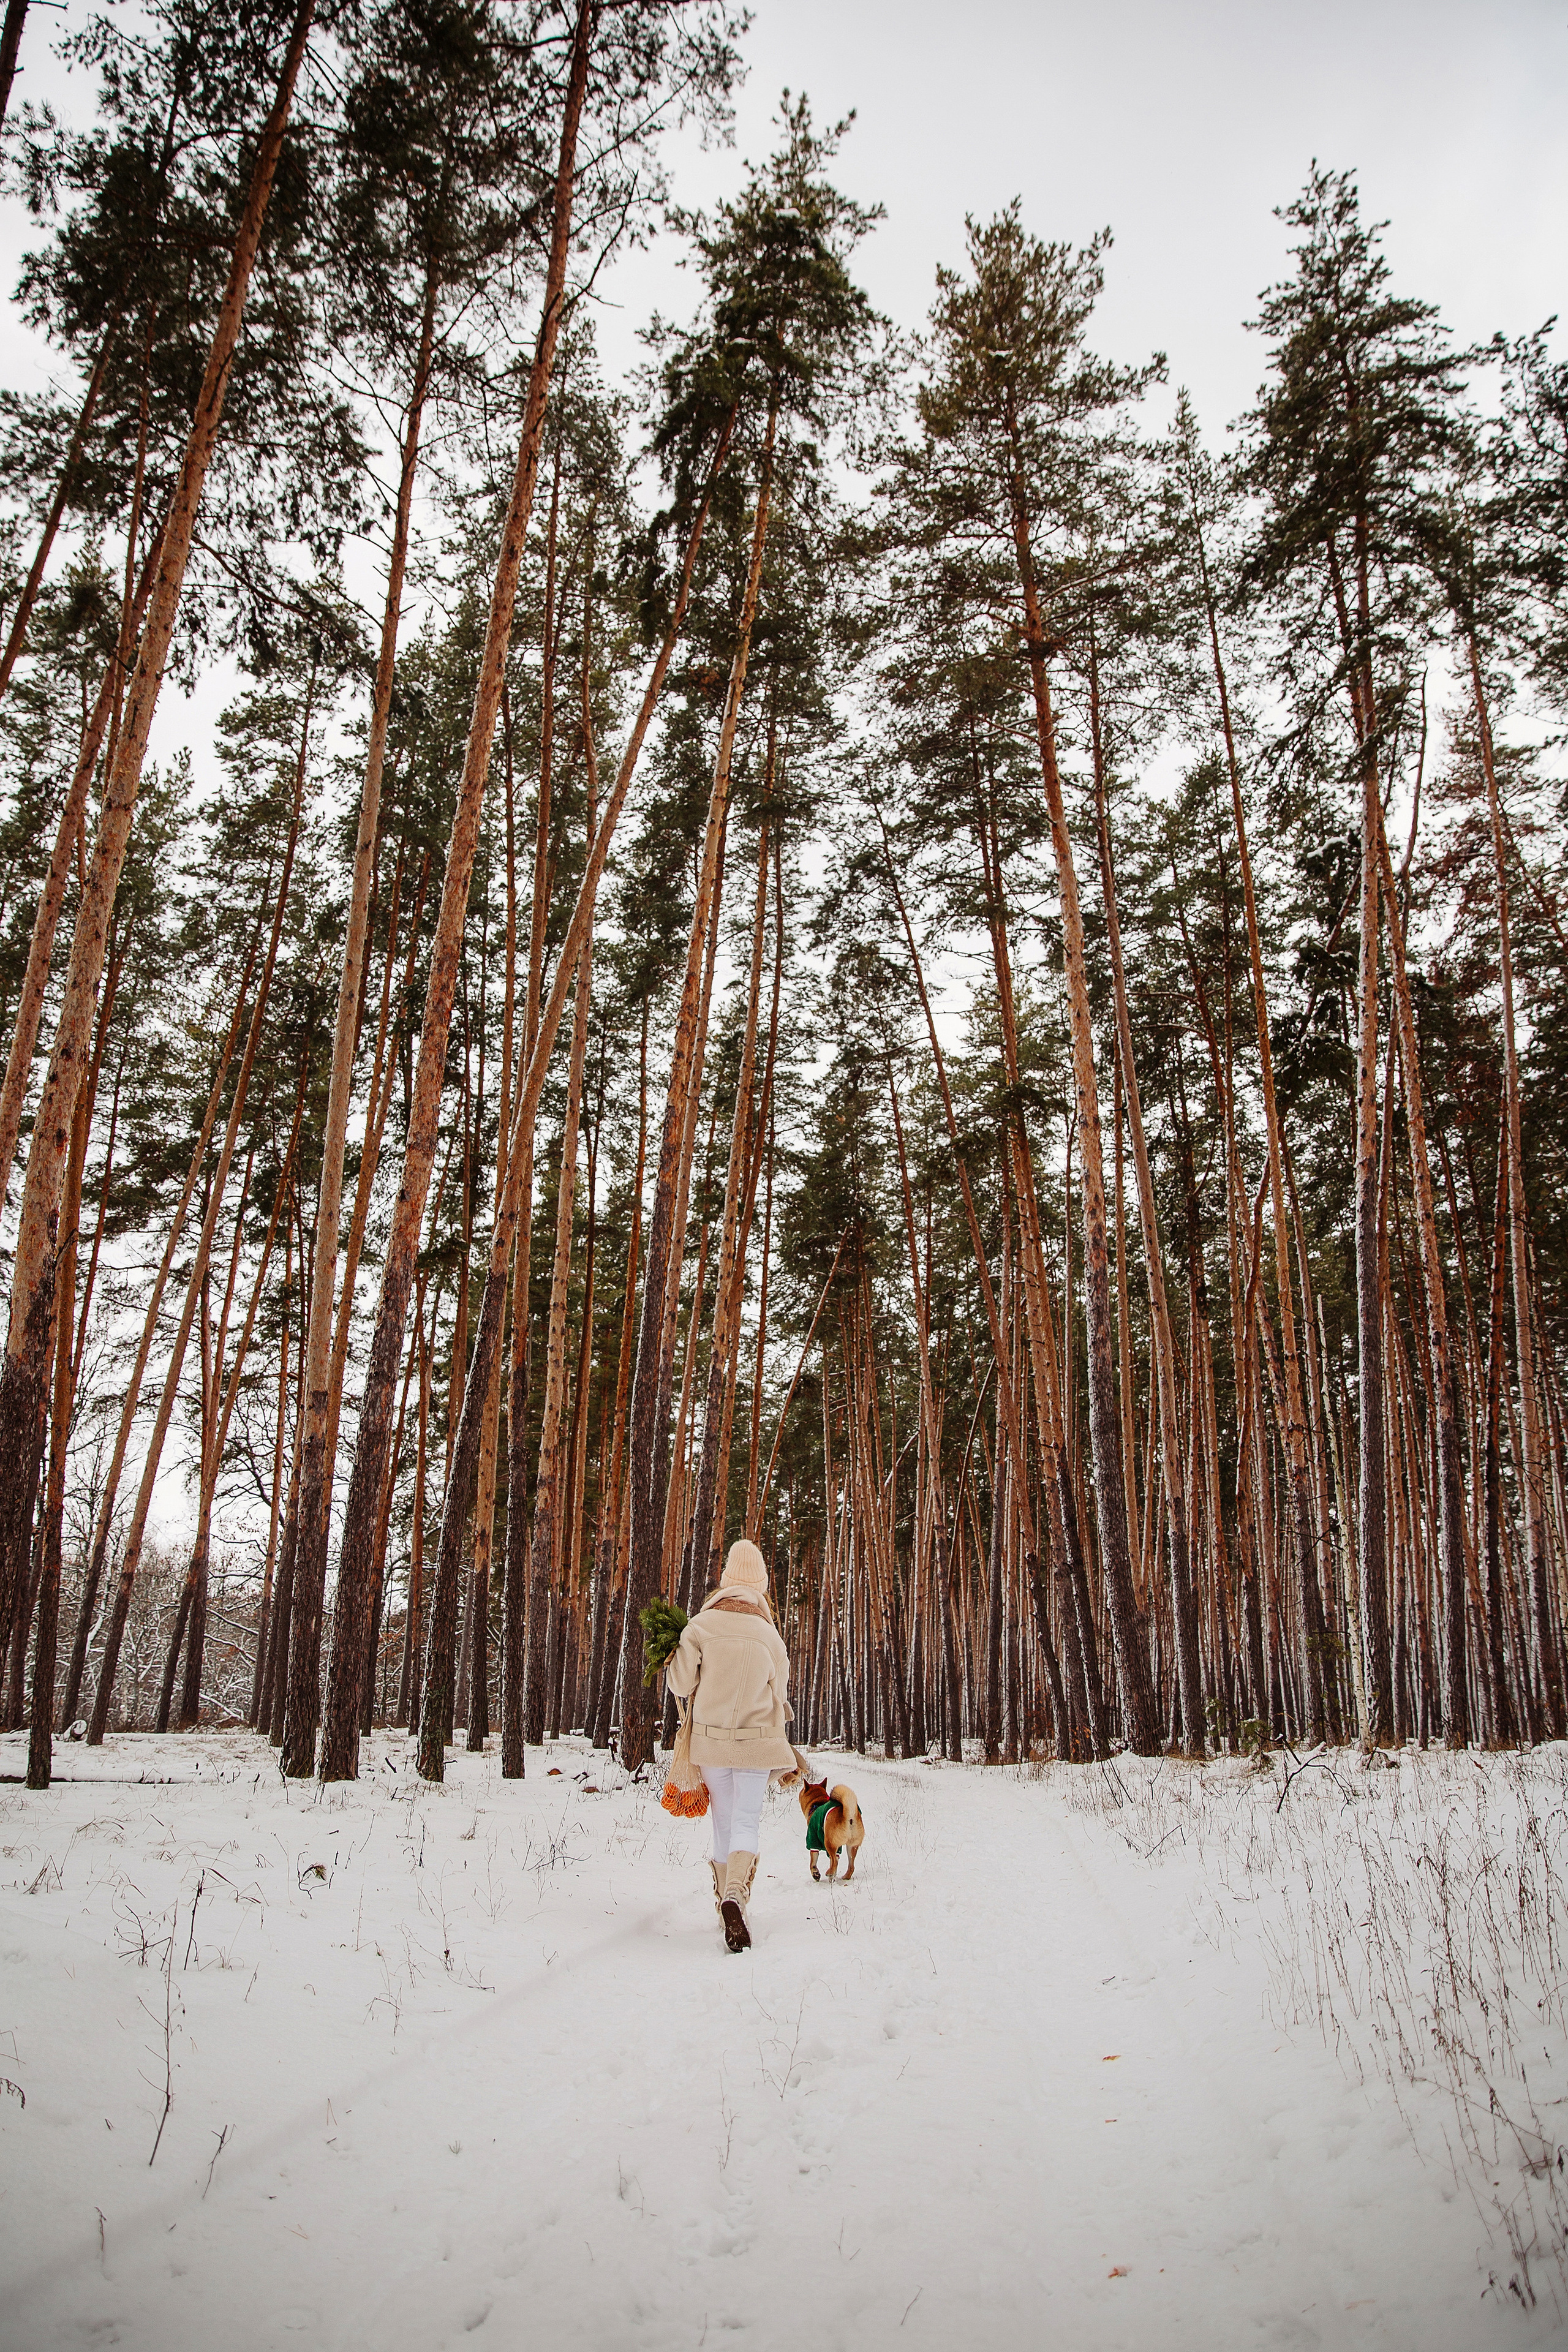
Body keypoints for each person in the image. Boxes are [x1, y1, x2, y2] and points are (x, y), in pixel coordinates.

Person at [665, 1537, 797, 1952]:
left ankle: (724, 1898)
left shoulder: (700, 1626)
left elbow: (681, 1685)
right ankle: (736, 1897)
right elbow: (780, 1692)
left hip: (711, 1745)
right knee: (746, 1821)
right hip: (757, 1746)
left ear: (725, 1581)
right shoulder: (770, 1638)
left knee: (723, 1821)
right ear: (759, 1585)